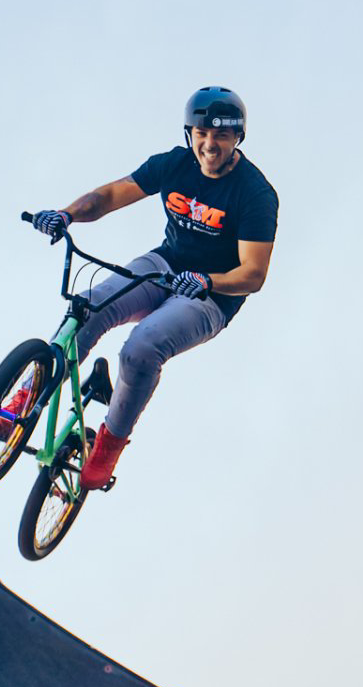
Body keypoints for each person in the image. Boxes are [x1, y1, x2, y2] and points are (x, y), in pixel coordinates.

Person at [28, 86, 278, 489]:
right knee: (90, 306)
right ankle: (27, 394)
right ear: (189, 133)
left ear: (237, 139)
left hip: (213, 295)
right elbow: (109, 195)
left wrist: (207, 280)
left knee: (141, 349)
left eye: (221, 137)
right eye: (201, 134)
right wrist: (66, 214)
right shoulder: (173, 165)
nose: (209, 145)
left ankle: (108, 443)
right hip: (165, 264)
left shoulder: (255, 194)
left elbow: (254, 274)